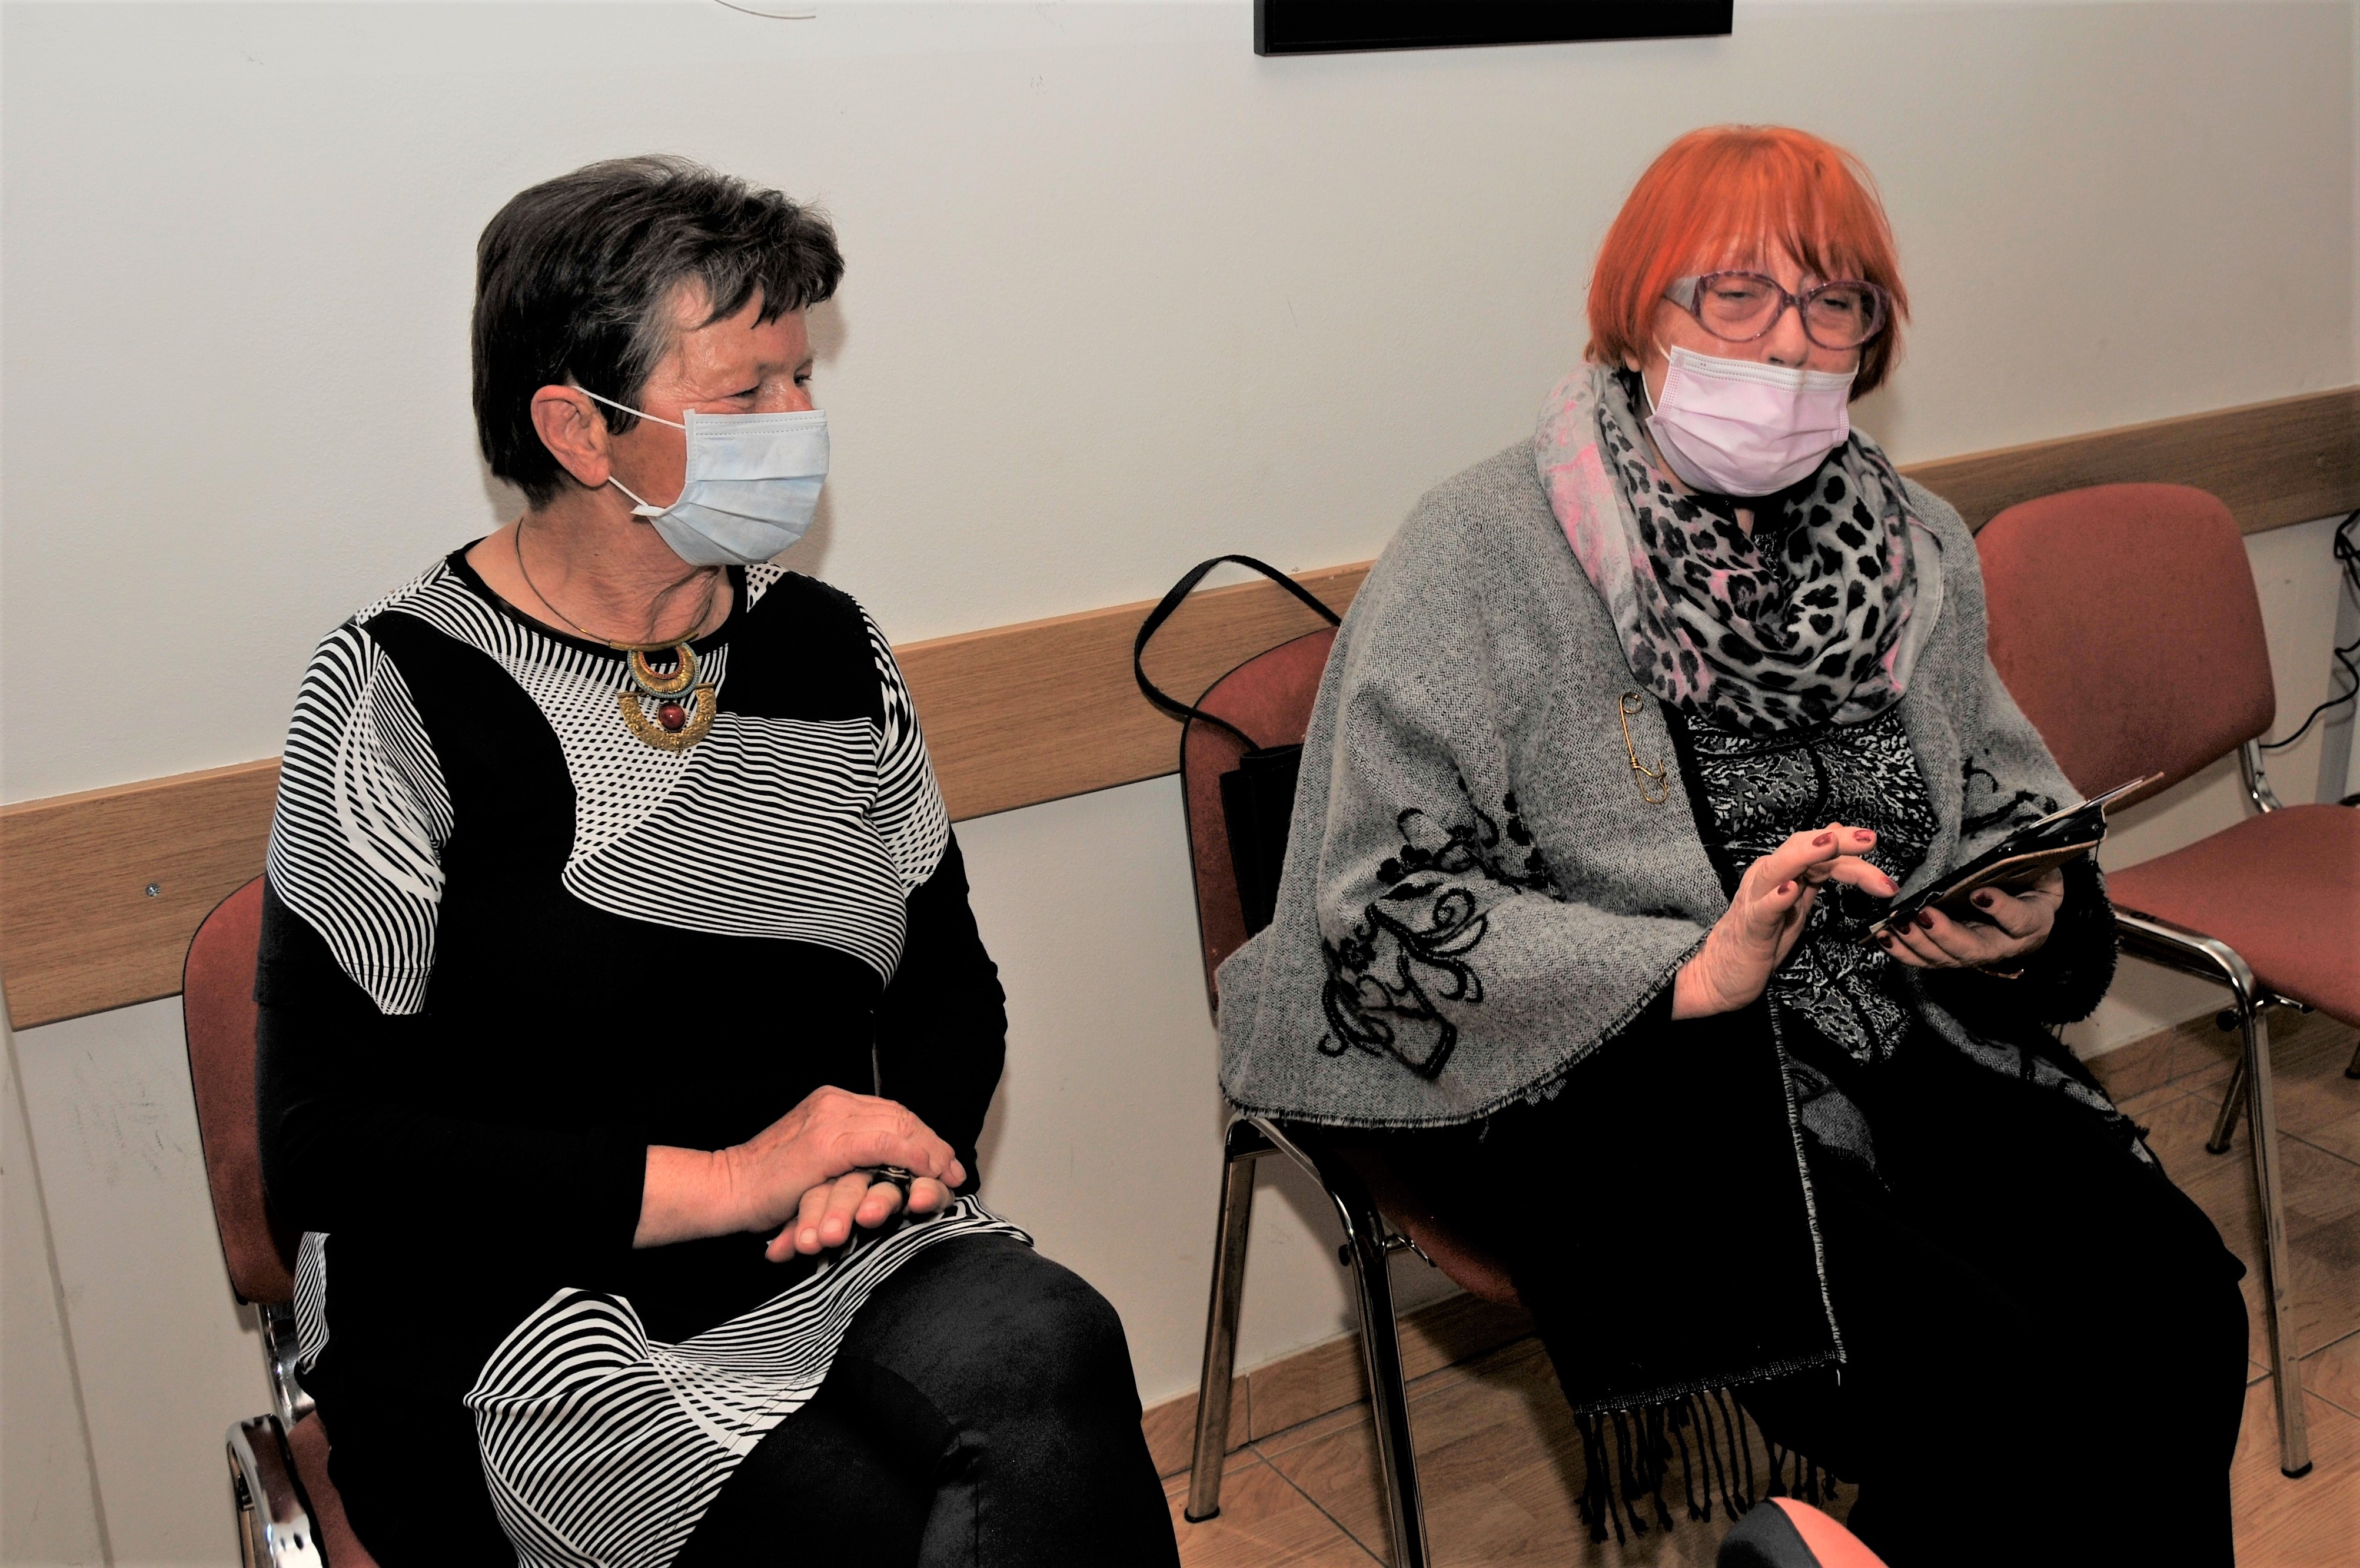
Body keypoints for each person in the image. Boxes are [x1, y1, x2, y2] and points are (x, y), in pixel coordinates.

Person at [1215, 126, 2248, 1567]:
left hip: (1902, 1031)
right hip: (1637, 1083)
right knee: (1985, 1393)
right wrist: (1685, 973)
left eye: (1833, 303)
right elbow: (1378, 902)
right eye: (1736, 294)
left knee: (2178, 1310)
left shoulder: (1910, 545)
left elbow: (2007, 800)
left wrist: (2032, 909)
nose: (1787, 342)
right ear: (1638, 312)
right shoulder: (1482, 552)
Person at [255, 155, 1179, 1567]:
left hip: (821, 1245)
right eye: (746, 395)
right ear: (578, 428)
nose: (799, 424)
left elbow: (948, 987)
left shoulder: (827, 647)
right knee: (882, 1530)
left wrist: (886, 1162)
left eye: (802, 378)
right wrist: (736, 1176)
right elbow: (324, 1146)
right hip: (509, 1306)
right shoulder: (398, 693)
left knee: (1056, 1349)